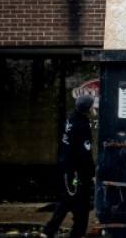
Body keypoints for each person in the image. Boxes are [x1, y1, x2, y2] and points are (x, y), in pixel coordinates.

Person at [41, 95, 95, 238]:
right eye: (91, 105)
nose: (93, 107)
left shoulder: (71, 118)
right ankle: (49, 231)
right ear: (87, 108)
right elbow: (84, 153)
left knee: (80, 201)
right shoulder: (81, 125)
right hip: (74, 171)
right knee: (68, 200)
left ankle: (77, 232)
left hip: (68, 167)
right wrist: (91, 174)